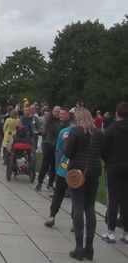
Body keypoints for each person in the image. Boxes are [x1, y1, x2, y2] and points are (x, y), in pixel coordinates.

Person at [63, 107, 103, 261]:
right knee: (90, 208)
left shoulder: (76, 132)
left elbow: (68, 153)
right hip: (94, 172)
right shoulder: (99, 133)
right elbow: (102, 152)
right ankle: (89, 248)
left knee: (78, 206)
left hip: (77, 173)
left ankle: (79, 247)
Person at [100, 102, 128, 244]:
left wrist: (108, 161)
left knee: (113, 198)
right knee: (126, 199)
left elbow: (103, 150)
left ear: (117, 114)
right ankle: (126, 232)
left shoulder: (111, 130)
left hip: (113, 167)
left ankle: (110, 231)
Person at [36, 106, 61, 191]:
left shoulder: (61, 122)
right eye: (55, 111)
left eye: (58, 111)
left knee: (54, 166)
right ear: (52, 112)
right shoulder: (50, 121)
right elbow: (52, 132)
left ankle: (50, 183)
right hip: (49, 145)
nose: (57, 113)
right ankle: (39, 182)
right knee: (45, 165)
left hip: (56, 146)